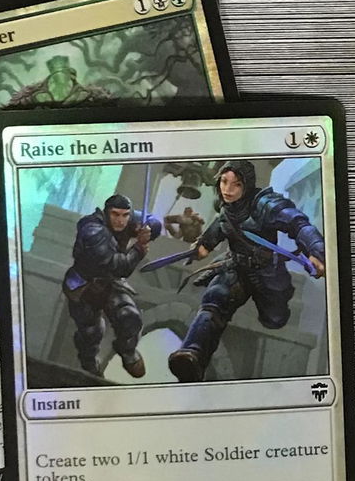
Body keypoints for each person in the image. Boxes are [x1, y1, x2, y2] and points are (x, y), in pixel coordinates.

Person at [167, 160, 325, 382]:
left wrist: (316, 251)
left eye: (236, 184)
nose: (228, 189)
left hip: (267, 272)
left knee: (274, 319)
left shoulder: (265, 205)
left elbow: (298, 225)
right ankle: (192, 355)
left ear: (246, 185)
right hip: (236, 267)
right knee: (215, 298)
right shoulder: (226, 209)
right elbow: (214, 234)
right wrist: (201, 248)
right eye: (224, 182)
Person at [63, 195, 162, 379]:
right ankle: (89, 366)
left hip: (110, 283)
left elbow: (154, 221)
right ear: (107, 213)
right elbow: (118, 266)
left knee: (129, 317)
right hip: (84, 286)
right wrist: (139, 247)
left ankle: (127, 352)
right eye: (115, 214)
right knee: (91, 331)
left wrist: (147, 228)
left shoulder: (127, 219)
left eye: (125, 215)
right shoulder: (93, 230)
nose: (120, 220)